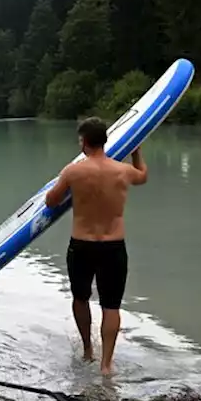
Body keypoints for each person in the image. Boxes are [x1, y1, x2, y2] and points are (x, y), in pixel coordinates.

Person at [43, 116, 147, 376]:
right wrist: (136, 152)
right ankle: (106, 365)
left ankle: (88, 350)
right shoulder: (122, 171)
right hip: (114, 247)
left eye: (80, 139)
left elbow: (50, 201)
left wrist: (62, 185)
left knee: (80, 298)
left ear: (85, 142)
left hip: (82, 246)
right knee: (111, 306)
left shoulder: (73, 171)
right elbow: (143, 176)